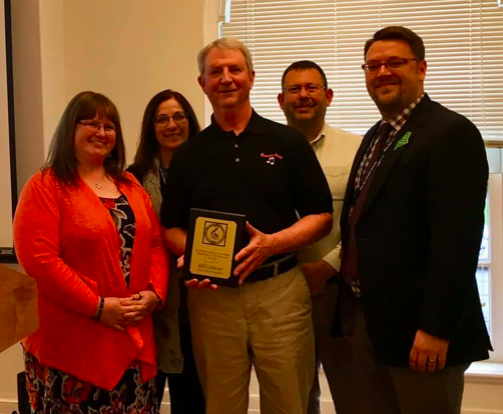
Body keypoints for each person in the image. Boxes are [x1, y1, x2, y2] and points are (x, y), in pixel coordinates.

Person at [161, 38, 333, 414]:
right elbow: (170, 227)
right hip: (212, 301)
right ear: (202, 83)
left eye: (235, 69)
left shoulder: (288, 142)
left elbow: (321, 216)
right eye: (216, 71)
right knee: (221, 406)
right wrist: (199, 255)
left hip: (280, 293)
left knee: (289, 404)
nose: (226, 78)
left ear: (251, 78)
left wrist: (272, 243)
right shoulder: (188, 154)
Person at [337, 26, 492, 414]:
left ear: (421, 69)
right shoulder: (376, 136)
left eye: (395, 62)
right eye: (373, 65)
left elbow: (458, 242)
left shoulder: (450, 132)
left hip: (422, 332)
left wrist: (436, 328)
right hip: (372, 321)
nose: (383, 72)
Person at [13, 91, 168, 414]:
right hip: (70, 347)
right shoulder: (45, 186)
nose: (101, 132)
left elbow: (155, 242)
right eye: (91, 123)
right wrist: (97, 307)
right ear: (70, 128)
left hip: (133, 339)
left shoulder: (129, 185)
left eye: (109, 126)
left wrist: (154, 294)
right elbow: (40, 261)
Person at [278, 60, 361, 414]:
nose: (303, 96)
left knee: (353, 394)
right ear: (281, 100)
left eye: (311, 88)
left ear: (328, 96)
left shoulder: (358, 149)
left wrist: (326, 267)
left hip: (339, 292)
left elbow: (365, 222)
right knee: (292, 398)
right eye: (294, 89)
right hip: (279, 294)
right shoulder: (263, 151)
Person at [128, 89, 205, 413]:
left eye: (178, 116)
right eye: (162, 119)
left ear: (190, 121)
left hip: (201, 305)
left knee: (194, 402)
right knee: (144, 401)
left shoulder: (211, 172)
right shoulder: (131, 179)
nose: (171, 125)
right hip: (149, 309)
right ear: (151, 127)